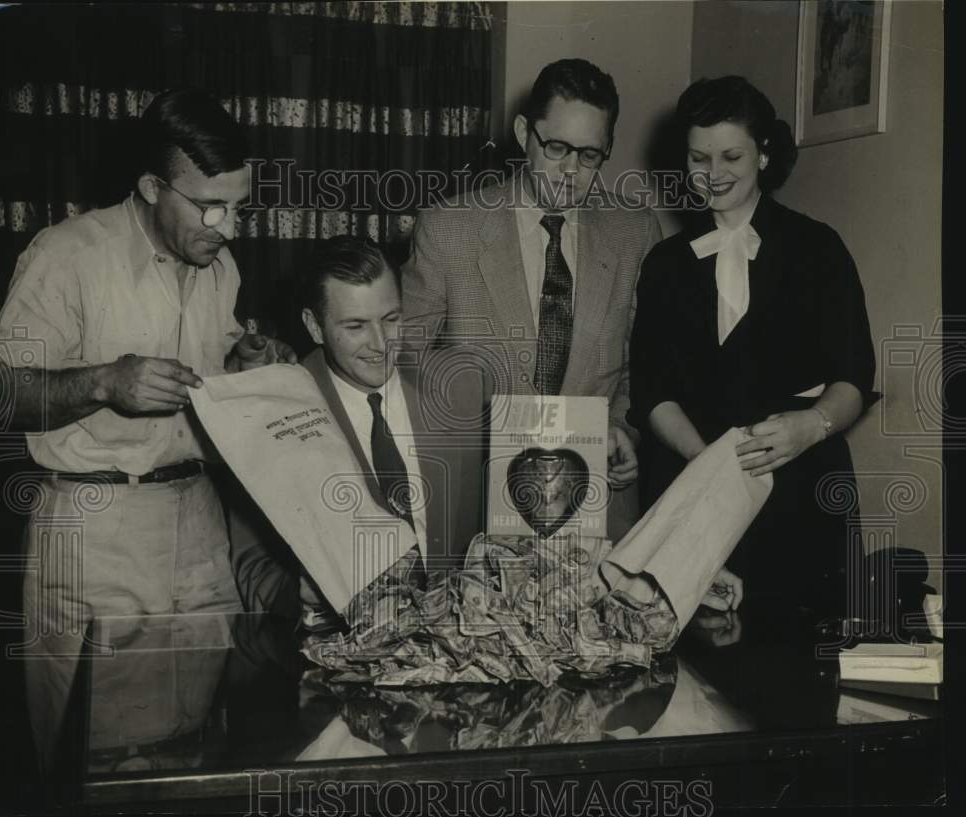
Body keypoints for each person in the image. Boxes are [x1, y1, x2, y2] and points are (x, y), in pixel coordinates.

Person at [0, 87, 294, 771]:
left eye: (239, 205)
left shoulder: (221, 265)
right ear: (152, 186)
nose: (229, 226)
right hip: (97, 530)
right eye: (211, 206)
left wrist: (245, 362)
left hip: (202, 529)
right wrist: (103, 382)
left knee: (203, 752)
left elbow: (214, 381)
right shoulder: (68, 255)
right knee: (99, 763)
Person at [628, 76, 875, 617]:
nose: (713, 175)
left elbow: (855, 375)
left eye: (731, 155)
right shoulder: (664, 265)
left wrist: (810, 426)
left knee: (800, 671)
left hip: (801, 492)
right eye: (698, 159)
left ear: (764, 154)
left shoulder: (818, 248)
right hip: (692, 494)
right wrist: (708, 465)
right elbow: (651, 390)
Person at [401, 58, 662, 547]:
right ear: (524, 132)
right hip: (475, 507)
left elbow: (644, 363)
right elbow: (406, 365)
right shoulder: (448, 228)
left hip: (597, 505)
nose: (570, 170)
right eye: (557, 147)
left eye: (589, 155)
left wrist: (622, 427)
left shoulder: (636, 232)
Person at [230, 236, 481, 619]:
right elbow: (254, 568)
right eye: (356, 326)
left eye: (391, 319)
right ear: (314, 327)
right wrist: (297, 597)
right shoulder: (274, 415)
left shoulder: (458, 389)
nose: (381, 344)